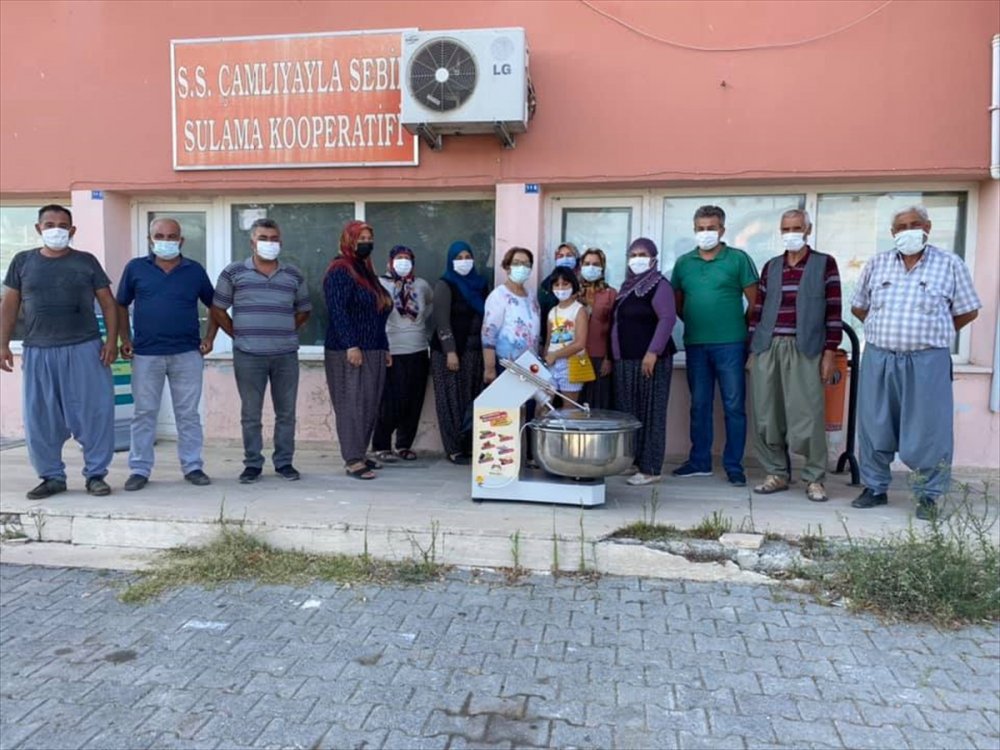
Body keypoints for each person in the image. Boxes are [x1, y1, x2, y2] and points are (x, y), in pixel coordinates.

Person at [850, 205, 981, 519]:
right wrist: (885, 330)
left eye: (914, 224)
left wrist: (935, 331)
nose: (908, 230)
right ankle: (875, 487)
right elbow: (858, 306)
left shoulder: (950, 264)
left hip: (927, 361)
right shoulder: (877, 263)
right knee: (875, 424)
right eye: (901, 226)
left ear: (927, 228)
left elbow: (968, 310)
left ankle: (928, 495)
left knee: (929, 429)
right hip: (880, 357)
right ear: (893, 233)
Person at [0, 204, 117, 498]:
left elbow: (108, 303)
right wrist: (2, 343)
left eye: (63, 226)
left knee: (94, 413)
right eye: (49, 224)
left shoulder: (86, 262)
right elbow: (9, 306)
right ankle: (51, 476)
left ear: (72, 230)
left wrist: (111, 341)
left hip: (85, 348)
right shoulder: (22, 261)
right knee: (41, 417)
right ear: (38, 228)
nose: (56, 230)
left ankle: (96, 475)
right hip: (39, 351)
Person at [747, 209, 842, 503]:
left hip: (805, 348)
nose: (791, 234)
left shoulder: (825, 263)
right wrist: (753, 349)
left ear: (808, 230)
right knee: (766, 415)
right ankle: (776, 473)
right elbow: (758, 310)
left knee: (807, 415)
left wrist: (829, 352)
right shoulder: (772, 266)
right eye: (786, 228)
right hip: (768, 346)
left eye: (797, 228)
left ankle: (814, 478)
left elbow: (834, 310)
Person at [116, 217, 218, 491]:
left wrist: (210, 338)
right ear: (150, 240)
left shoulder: (194, 270)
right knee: (144, 413)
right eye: (160, 236)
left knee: (188, 414)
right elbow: (120, 304)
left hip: (187, 353)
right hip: (146, 354)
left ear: (181, 241)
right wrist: (125, 338)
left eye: (172, 236)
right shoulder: (136, 268)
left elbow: (215, 305)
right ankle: (139, 469)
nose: (166, 241)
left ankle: (193, 466)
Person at [211, 218, 311, 483]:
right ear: (252, 242)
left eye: (274, 239)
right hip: (248, 355)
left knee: (286, 413)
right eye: (263, 238)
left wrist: (286, 329)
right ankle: (253, 464)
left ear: (281, 242)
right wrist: (237, 333)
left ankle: (284, 463)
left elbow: (304, 310)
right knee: (251, 414)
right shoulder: (233, 272)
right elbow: (217, 309)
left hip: (285, 354)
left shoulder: (293, 274)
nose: (269, 243)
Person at [671, 205, 759, 486]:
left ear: (722, 230)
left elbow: (756, 302)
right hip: (696, 344)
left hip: (731, 344)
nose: (705, 233)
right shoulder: (684, 263)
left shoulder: (738, 259)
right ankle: (700, 461)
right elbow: (677, 304)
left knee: (734, 406)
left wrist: (738, 328)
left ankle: (734, 465)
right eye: (701, 228)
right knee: (699, 405)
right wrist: (698, 321)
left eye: (711, 228)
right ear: (694, 229)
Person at [324, 220, 393, 480]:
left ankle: (360, 452)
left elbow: (379, 312)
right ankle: (352, 459)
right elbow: (337, 311)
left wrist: (384, 347)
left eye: (369, 238)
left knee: (368, 405)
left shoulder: (365, 270)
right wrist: (350, 344)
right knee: (351, 404)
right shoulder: (340, 270)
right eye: (360, 238)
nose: (366, 243)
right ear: (348, 241)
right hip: (348, 350)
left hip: (373, 347)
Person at [611, 238, 677, 486]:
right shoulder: (626, 287)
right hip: (627, 360)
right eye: (633, 254)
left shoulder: (659, 285)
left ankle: (651, 468)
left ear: (653, 259)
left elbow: (667, 319)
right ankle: (635, 461)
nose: (637, 259)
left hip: (650, 360)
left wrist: (653, 352)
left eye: (643, 254)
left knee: (651, 413)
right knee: (631, 412)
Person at [372, 245, 433, 463]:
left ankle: (404, 444)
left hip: (418, 349)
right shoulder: (379, 284)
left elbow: (429, 306)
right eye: (399, 258)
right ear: (390, 262)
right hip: (392, 350)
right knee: (391, 401)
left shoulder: (421, 285)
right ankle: (381, 445)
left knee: (413, 401)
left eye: (408, 258)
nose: (404, 262)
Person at [430, 240, 488, 465]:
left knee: (470, 400)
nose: (464, 261)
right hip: (450, 352)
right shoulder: (445, 284)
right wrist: (450, 351)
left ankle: (469, 446)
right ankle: (453, 448)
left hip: (474, 352)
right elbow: (441, 321)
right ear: (451, 261)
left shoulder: (480, 284)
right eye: (459, 258)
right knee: (451, 401)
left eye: (467, 257)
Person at [482, 247, 541, 385]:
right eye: (516, 263)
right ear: (507, 267)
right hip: (506, 365)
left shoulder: (531, 296)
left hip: (530, 366)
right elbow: (488, 335)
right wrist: (489, 368)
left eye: (526, 264)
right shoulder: (498, 296)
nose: (522, 267)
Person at [578, 248, 617, 410]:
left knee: (598, 407)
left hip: (600, 358)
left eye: (595, 264)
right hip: (575, 358)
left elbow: (614, 329)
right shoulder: (573, 291)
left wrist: (609, 358)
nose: (591, 267)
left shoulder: (610, 293)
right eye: (587, 264)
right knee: (576, 407)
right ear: (581, 266)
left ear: (602, 267)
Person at [544, 267, 589, 400]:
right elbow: (548, 341)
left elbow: (580, 344)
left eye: (565, 284)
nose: (561, 288)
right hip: (552, 363)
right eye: (556, 284)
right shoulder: (552, 312)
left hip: (571, 364)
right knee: (543, 403)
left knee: (569, 407)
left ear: (573, 285)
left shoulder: (579, 310)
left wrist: (555, 355)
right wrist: (547, 357)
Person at [537, 242, 580, 347]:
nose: (565, 259)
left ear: (577, 259)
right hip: (555, 341)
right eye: (560, 256)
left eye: (569, 255)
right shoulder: (547, 285)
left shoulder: (584, 283)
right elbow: (544, 316)